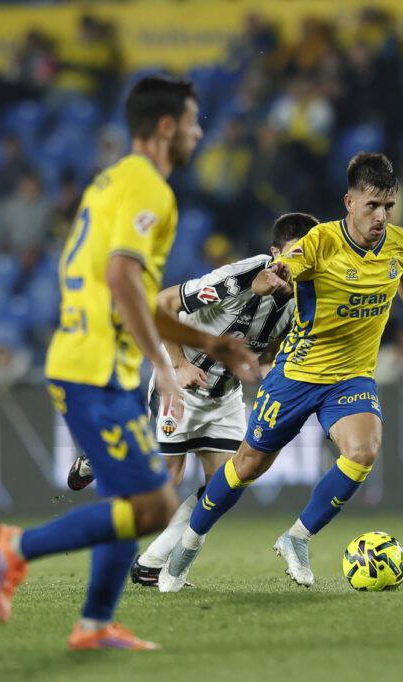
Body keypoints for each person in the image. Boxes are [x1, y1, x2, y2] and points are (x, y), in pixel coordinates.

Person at [0, 76, 259, 651]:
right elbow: (122, 279)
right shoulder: (150, 190)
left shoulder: (108, 182)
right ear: (166, 127)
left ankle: (93, 625)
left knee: (129, 504)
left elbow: (100, 279)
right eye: (192, 120)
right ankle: (15, 548)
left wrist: (200, 347)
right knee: (154, 504)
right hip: (94, 369)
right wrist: (164, 362)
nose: (198, 131)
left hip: (85, 356)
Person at [158, 153, 403, 591]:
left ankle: (297, 537)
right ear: (349, 202)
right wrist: (275, 275)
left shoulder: (400, 243)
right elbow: (287, 265)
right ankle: (187, 547)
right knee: (246, 467)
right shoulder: (321, 243)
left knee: (363, 451)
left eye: (389, 205)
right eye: (372, 206)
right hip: (296, 375)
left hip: (351, 377)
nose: (382, 216)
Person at [67, 213, 319, 587]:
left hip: (225, 395)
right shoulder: (238, 279)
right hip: (182, 384)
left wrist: (273, 382)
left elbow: (269, 351)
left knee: (225, 486)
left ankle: (152, 563)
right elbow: (163, 305)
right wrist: (180, 363)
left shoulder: (305, 298)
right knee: (165, 483)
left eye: (307, 256)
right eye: (291, 255)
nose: (296, 266)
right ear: (273, 253)